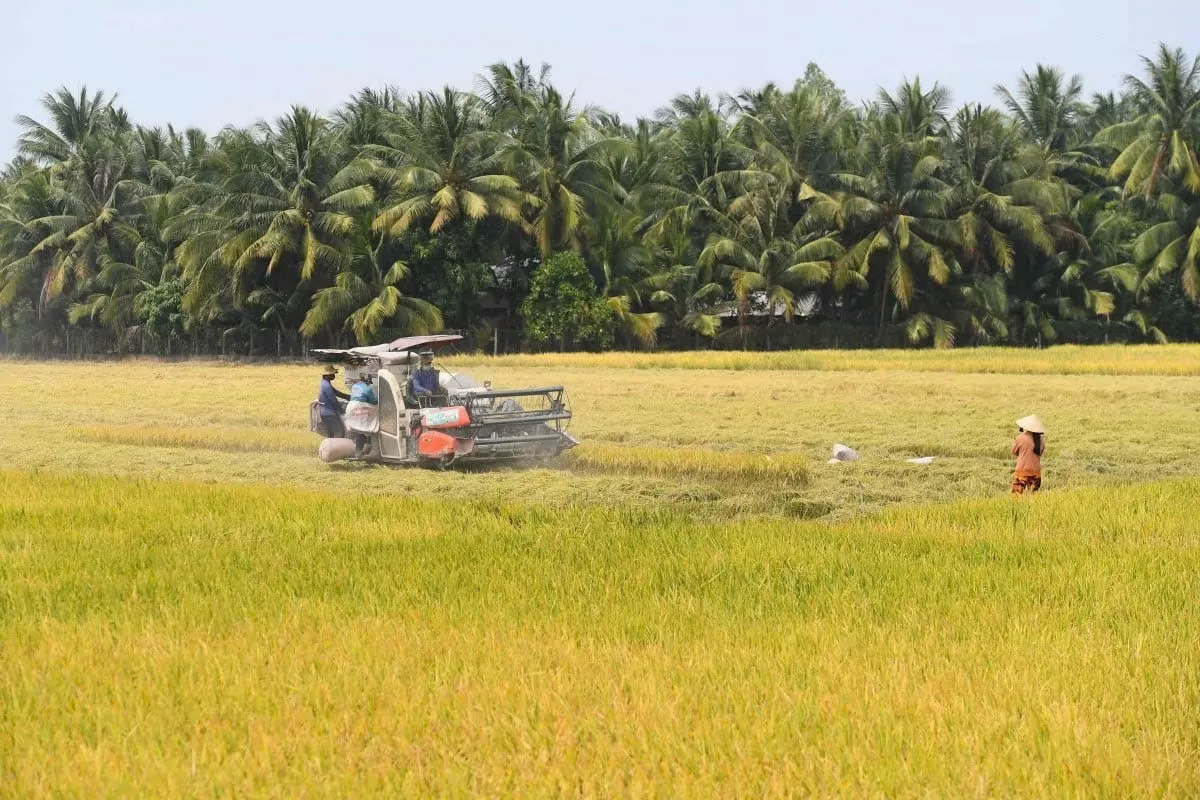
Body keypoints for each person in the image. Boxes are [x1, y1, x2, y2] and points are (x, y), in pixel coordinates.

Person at [1011, 414, 1046, 495]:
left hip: (1022, 472)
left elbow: (1014, 451)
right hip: (1036, 473)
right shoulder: (1041, 440)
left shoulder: (1020, 438)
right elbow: (1040, 452)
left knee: (1016, 496)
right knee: (1034, 498)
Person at [348, 373, 378, 458]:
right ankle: (359, 452)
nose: (369, 382)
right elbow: (373, 401)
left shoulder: (355, 386)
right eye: (369, 381)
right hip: (360, 409)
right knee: (364, 430)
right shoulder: (367, 389)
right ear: (367, 380)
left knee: (359, 430)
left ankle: (360, 450)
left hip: (351, 408)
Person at [317, 367, 350, 439]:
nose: (334, 376)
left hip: (325, 413)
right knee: (340, 432)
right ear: (327, 375)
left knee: (331, 434)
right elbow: (333, 400)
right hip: (330, 414)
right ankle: (338, 449)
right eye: (332, 374)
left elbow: (337, 393)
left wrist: (350, 397)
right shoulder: (327, 386)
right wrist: (341, 410)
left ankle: (331, 448)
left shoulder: (325, 383)